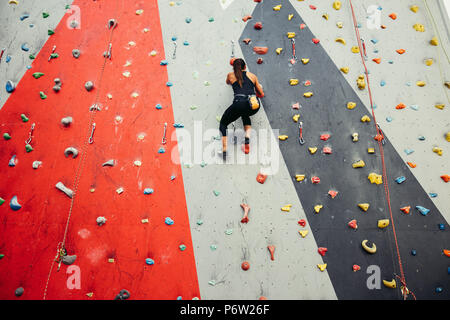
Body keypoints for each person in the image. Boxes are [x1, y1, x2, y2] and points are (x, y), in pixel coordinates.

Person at [219, 58, 264, 160]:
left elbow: (227, 82)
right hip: (253, 105)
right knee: (245, 113)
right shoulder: (252, 76)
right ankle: (247, 137)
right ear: (245, 67)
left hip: (239, 104)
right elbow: (261, 94)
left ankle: (225, 150)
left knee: (223, 123)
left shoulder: (230, 75)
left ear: (233, 68)